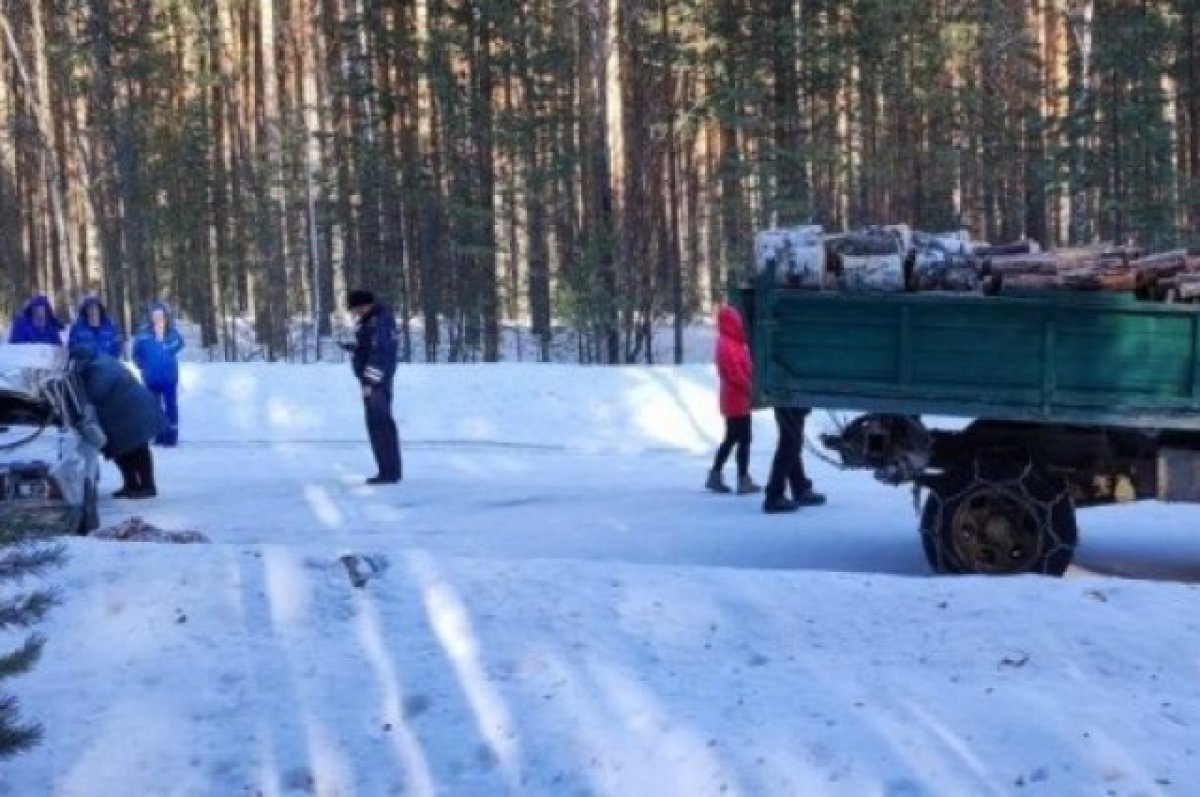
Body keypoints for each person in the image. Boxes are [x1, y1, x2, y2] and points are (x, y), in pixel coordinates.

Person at [70, 347, 165, 499]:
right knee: (121, 451)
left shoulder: (101, 368)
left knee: (137, 450)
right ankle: (132, 484)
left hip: (134, 412)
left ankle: (147, 486)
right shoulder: (99, 361)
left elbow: (94, 393)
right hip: (123, 413)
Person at [342, 289, 401, 485]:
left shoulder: (377, 323)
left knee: (379, 425)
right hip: (376, 381)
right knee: (379, 425)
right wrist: (355, 348)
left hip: (375, 383)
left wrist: (369, 382)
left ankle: (388, 472)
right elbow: (372, 349)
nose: (355, 314)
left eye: (356, 309)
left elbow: (381, 355)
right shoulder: (375, 321)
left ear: (365, 305)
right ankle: (389, 470)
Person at [706, 305, 760, 495]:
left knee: (733, 438)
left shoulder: (733, 343)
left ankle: (718, 474)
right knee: (741, 439)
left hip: (737, 398)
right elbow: (734, 373)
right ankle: (741, 479)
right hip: (736, 399)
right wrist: (748, 386)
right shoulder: (727, 345)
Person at [132, 301, 184, 446]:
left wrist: (165, 342)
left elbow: (179, 344)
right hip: (151, 378)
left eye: (161, 316)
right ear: (150, 317)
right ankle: (159, 434)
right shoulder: (143, 334)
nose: (158, 319)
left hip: (168, 377)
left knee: (170, 406)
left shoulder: (172, 333)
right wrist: (142, 365)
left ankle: (171, 435)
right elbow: (135, 353)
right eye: (155, 316)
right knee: (154, 407)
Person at [762, 406, 827, 513]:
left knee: (792, 441)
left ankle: (799, 487)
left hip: (788, 397)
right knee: (790, 441)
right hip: (788, 397)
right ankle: (774, 495)